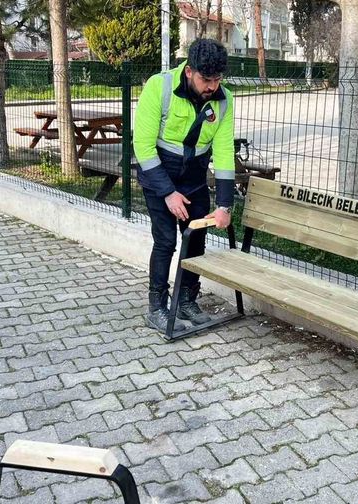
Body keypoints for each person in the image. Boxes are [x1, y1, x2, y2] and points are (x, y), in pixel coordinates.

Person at [133, 39, 235, 332]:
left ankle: (188, 299)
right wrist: (167, 192)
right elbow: (143, 145)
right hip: (159, 173)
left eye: (218, 80)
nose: (213, 87)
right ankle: (157, 307)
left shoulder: (224, 99)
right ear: (189, 71)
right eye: (207, 79)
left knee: (196, 238)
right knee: (165, 241)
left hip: (194, 177)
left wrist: (225, 205)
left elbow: (225, 151)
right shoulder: (160, 87)